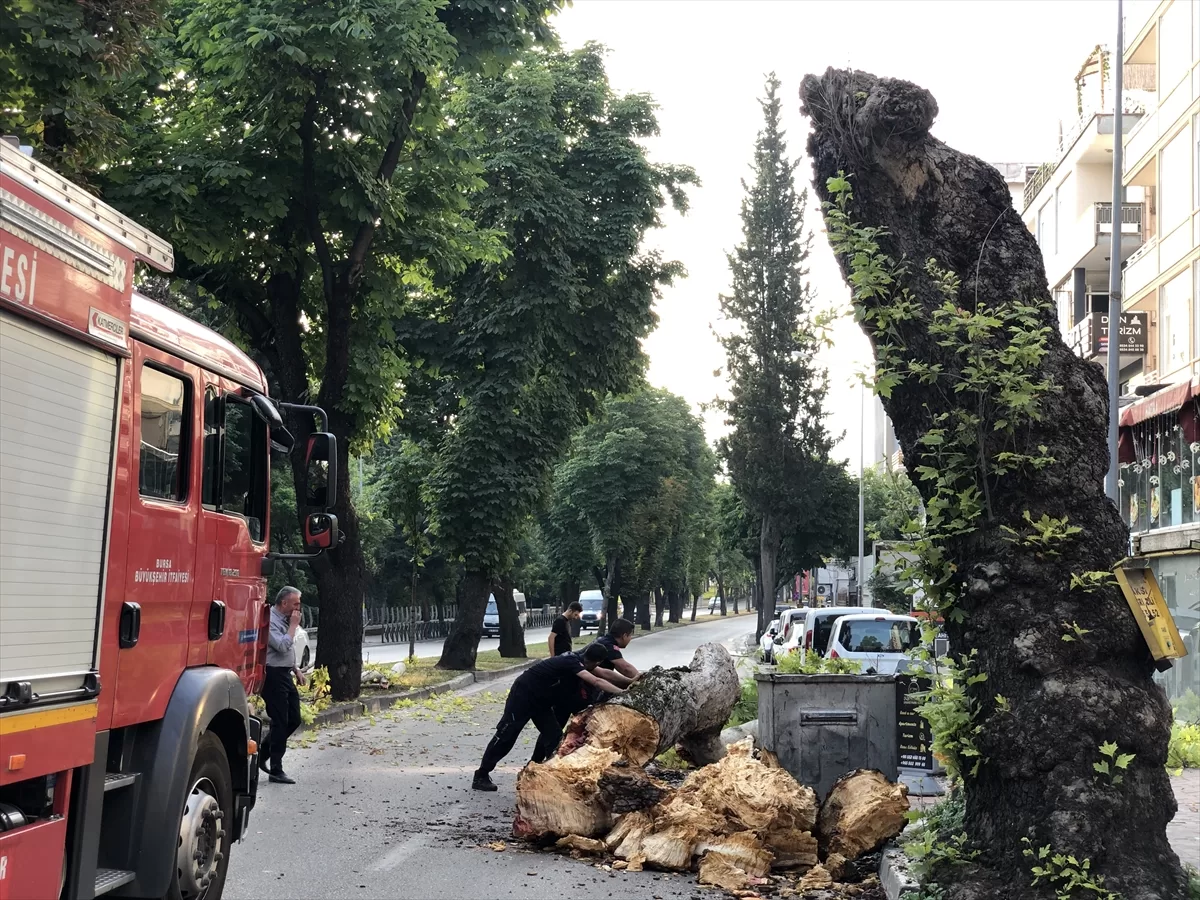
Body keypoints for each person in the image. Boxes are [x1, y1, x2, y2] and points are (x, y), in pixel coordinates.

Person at [473, 643, 626, 792]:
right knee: (507, 735)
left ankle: (542, 773)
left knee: (554, 736)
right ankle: (481, 775)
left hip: (541, 702)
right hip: (523, 696)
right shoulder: (571, 661)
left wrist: (631, 681)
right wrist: (623, 694)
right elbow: (597, 680)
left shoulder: (581, 661)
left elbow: (604, 674)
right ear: (597, 661)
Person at [257, 586, 308, 785]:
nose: (298, 607)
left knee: (294, 718)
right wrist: (294, 626)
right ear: (284, 603)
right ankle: (276, 769)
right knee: (280, 720)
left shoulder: (285, 620)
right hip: (273, 674)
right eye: (295, 603)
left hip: (285, 673)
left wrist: (296, 668)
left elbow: (288, 651)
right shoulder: (270, 620)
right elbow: (281, 646)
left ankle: (263, 753)